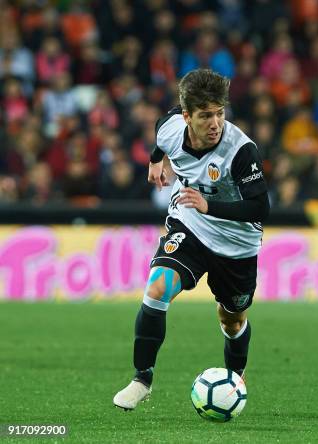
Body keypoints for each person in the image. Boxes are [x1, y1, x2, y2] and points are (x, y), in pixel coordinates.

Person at [113, 68, 269, 410]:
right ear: (187, 117)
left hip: (237, 243)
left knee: (232, 320)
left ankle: (235, 379)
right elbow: (160, 128)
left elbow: (261, 207)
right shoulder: (171, 129)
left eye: (219, 114)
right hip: (191, 225)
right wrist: (157, 159)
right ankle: (142, 378)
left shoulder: (240, 150)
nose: (215, 123)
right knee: (157, 287)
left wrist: (209, 203)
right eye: (205, 116)